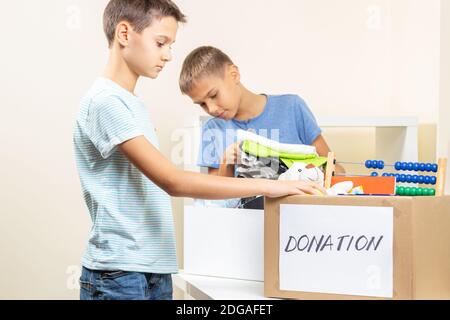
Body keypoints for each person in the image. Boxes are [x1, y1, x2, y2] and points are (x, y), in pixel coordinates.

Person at [73, 0, 325, 301]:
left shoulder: (131, 104)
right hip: (119, 272)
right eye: (160, 43)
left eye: (170, 45)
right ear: (124, 34)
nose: (167, 55)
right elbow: (173, 181)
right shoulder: (106, 102)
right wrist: (272, 186)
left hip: (151, 267)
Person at [179, 46, 345, 178]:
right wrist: (226, 163)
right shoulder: (213, 129)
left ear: (234, 74)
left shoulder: (292, 107)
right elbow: (218, 200)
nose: (211, 109)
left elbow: (335, 169)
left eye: (214, 95)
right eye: (202, 104)